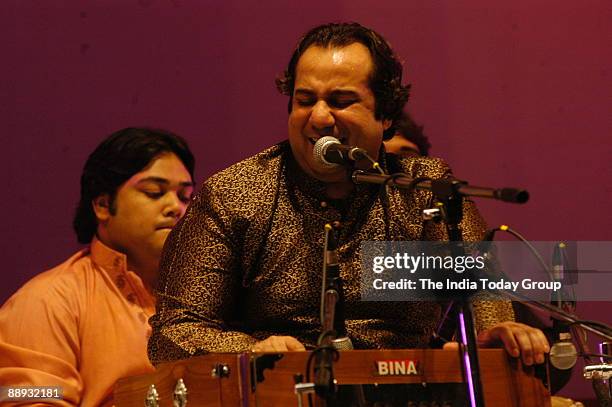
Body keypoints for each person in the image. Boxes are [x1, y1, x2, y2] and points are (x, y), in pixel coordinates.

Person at [148, 22, 548, 368]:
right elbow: (172, 334)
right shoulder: (234, 195)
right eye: (305, 100)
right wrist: (250, 350)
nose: (319, 117)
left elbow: (481, 292)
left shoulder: (425, 193)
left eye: (340, 102)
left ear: (386, 114)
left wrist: (497, 334)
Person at [0, 128, 195, 406]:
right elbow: (24, 396)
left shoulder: (204, 299)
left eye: (185, 197)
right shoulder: (47, 301)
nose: (176, 207)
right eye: (154, 192)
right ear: (103, 204)